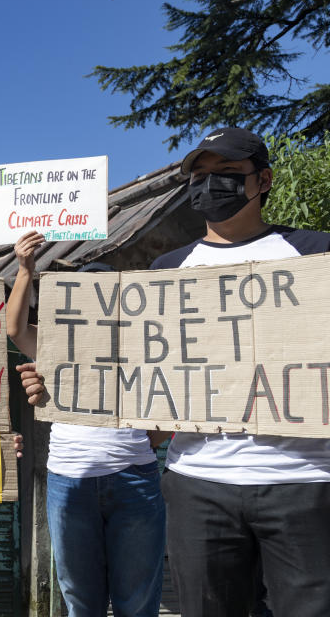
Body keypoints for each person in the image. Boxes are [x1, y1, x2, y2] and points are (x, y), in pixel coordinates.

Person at [147, 127, 330, 617]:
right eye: (200, 176)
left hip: (305, 481)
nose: (209, 186)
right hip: (197, 483)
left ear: (263, 179)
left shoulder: (318, 255)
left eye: (226, 174)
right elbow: (150, 396)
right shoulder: (165, 271)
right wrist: (69, 386)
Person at [6, 230, 165, 617]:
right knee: (79, 599)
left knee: (138, 600)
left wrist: (141, 445)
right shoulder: (55, 342)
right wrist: (25, 269)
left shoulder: (143, 347)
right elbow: (14, 329)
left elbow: (169, 409)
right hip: (68, 480)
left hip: (135, 478)